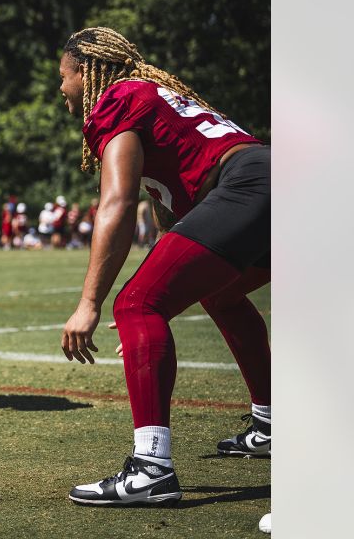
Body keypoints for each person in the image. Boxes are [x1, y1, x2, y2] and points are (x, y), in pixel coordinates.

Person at [55, 27, 270, 507]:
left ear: (88, 72)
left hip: (247, 187)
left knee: (135, 303)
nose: (61, 90)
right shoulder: (159, 93)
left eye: (63, 76)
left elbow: (116, 202)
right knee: (221, 296)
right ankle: (271, 423)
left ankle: (151, 468)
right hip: (273, 179)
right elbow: (176, 212)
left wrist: (90, 304)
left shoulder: (117, 98)